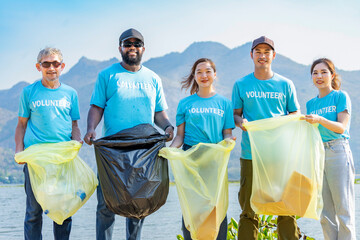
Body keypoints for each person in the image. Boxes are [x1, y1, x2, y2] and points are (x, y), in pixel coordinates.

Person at [84, 28, 174, 240]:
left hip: (144, 150)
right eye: (127, 44)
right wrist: (91, 129)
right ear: (120, 48)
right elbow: (96, 107)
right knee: (106, 203)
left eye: (136, 44)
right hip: (113, 150)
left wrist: (168, 127)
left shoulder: (153, 78)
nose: (132, 48)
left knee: (139, 202)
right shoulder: (107, 75)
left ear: (143, 49)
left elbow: (159, 112)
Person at [232, 36, 301, 240]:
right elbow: (236, 114)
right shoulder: (241, 84)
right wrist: (241, 122)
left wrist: (278, 124)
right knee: (248, 208)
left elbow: (295, 114)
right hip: (250, 154)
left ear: (274, 55)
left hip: (280, 155)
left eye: (267, 52)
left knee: (285, 207)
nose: (262, 56)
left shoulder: (285, 84)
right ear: (251, 55)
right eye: (258, 52)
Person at [14, 47, 82, 240]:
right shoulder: (29, 92)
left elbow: (74, 125)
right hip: (36, 160)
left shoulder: (71, 93)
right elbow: (21, 125)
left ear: (62, 66)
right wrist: (19, 150)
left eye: (56, 64)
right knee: (34, 212)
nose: (51, 68)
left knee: (63, 212)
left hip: (62, 160)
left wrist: (76, 140)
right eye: (46, 64)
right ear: (39, 67)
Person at [170, 58, 235, 240]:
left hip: (215, 161)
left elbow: (227, 134)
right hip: (191, 160)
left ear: (215, 75)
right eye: (199, 72)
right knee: (192, 207)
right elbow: (179, 137)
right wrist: (170, 151)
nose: (204, 75)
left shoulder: (224, 103)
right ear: (194, 76)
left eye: (207, 71)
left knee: (216, 206)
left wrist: (229, 142)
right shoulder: (185, 104)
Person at [302, 58, 355, 240]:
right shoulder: (310, 104)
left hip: (338, 152)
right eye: (315, 73)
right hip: (318, 155)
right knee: (325, 213)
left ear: (332, 75)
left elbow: (342, 127)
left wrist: (320, 120)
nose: (319, 76)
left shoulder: (341, 96)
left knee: (344, 210)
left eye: (324, 72)